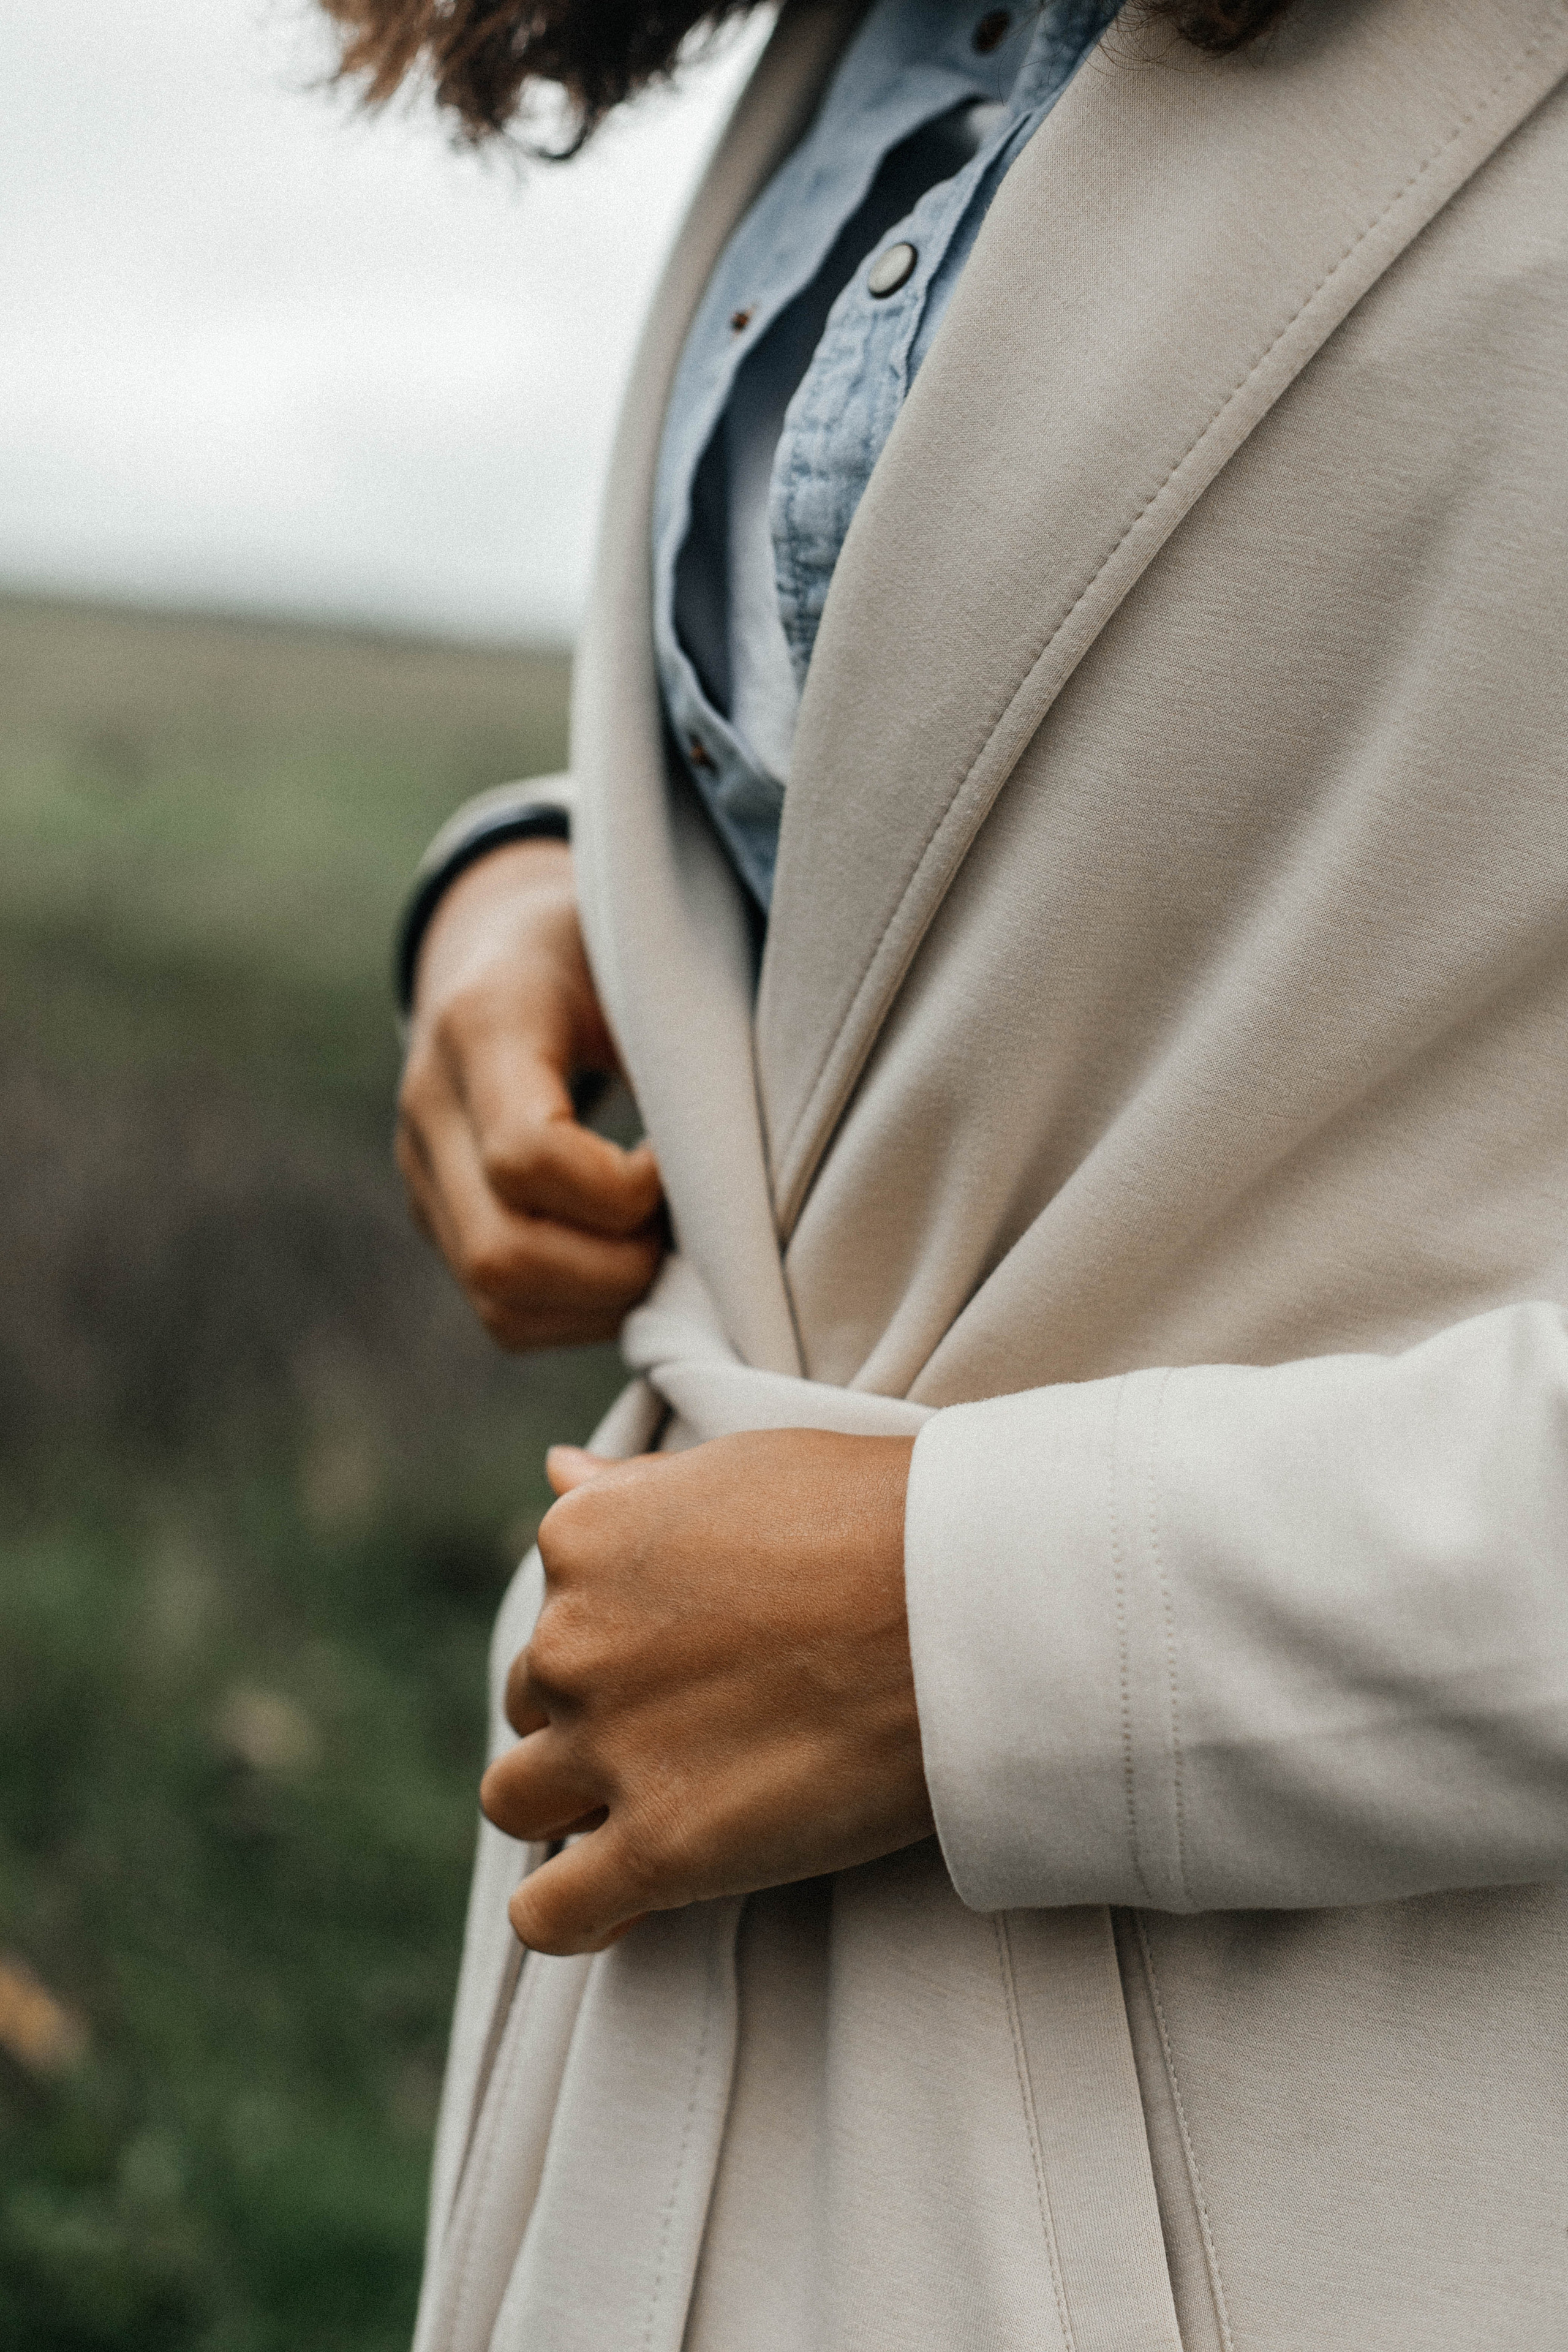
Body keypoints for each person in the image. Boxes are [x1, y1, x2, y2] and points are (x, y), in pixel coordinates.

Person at [330, 0, 1568, 2342]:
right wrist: (561, 881)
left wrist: (973, 1633)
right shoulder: (868, 29)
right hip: (670, 2074)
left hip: (1355, 2133)